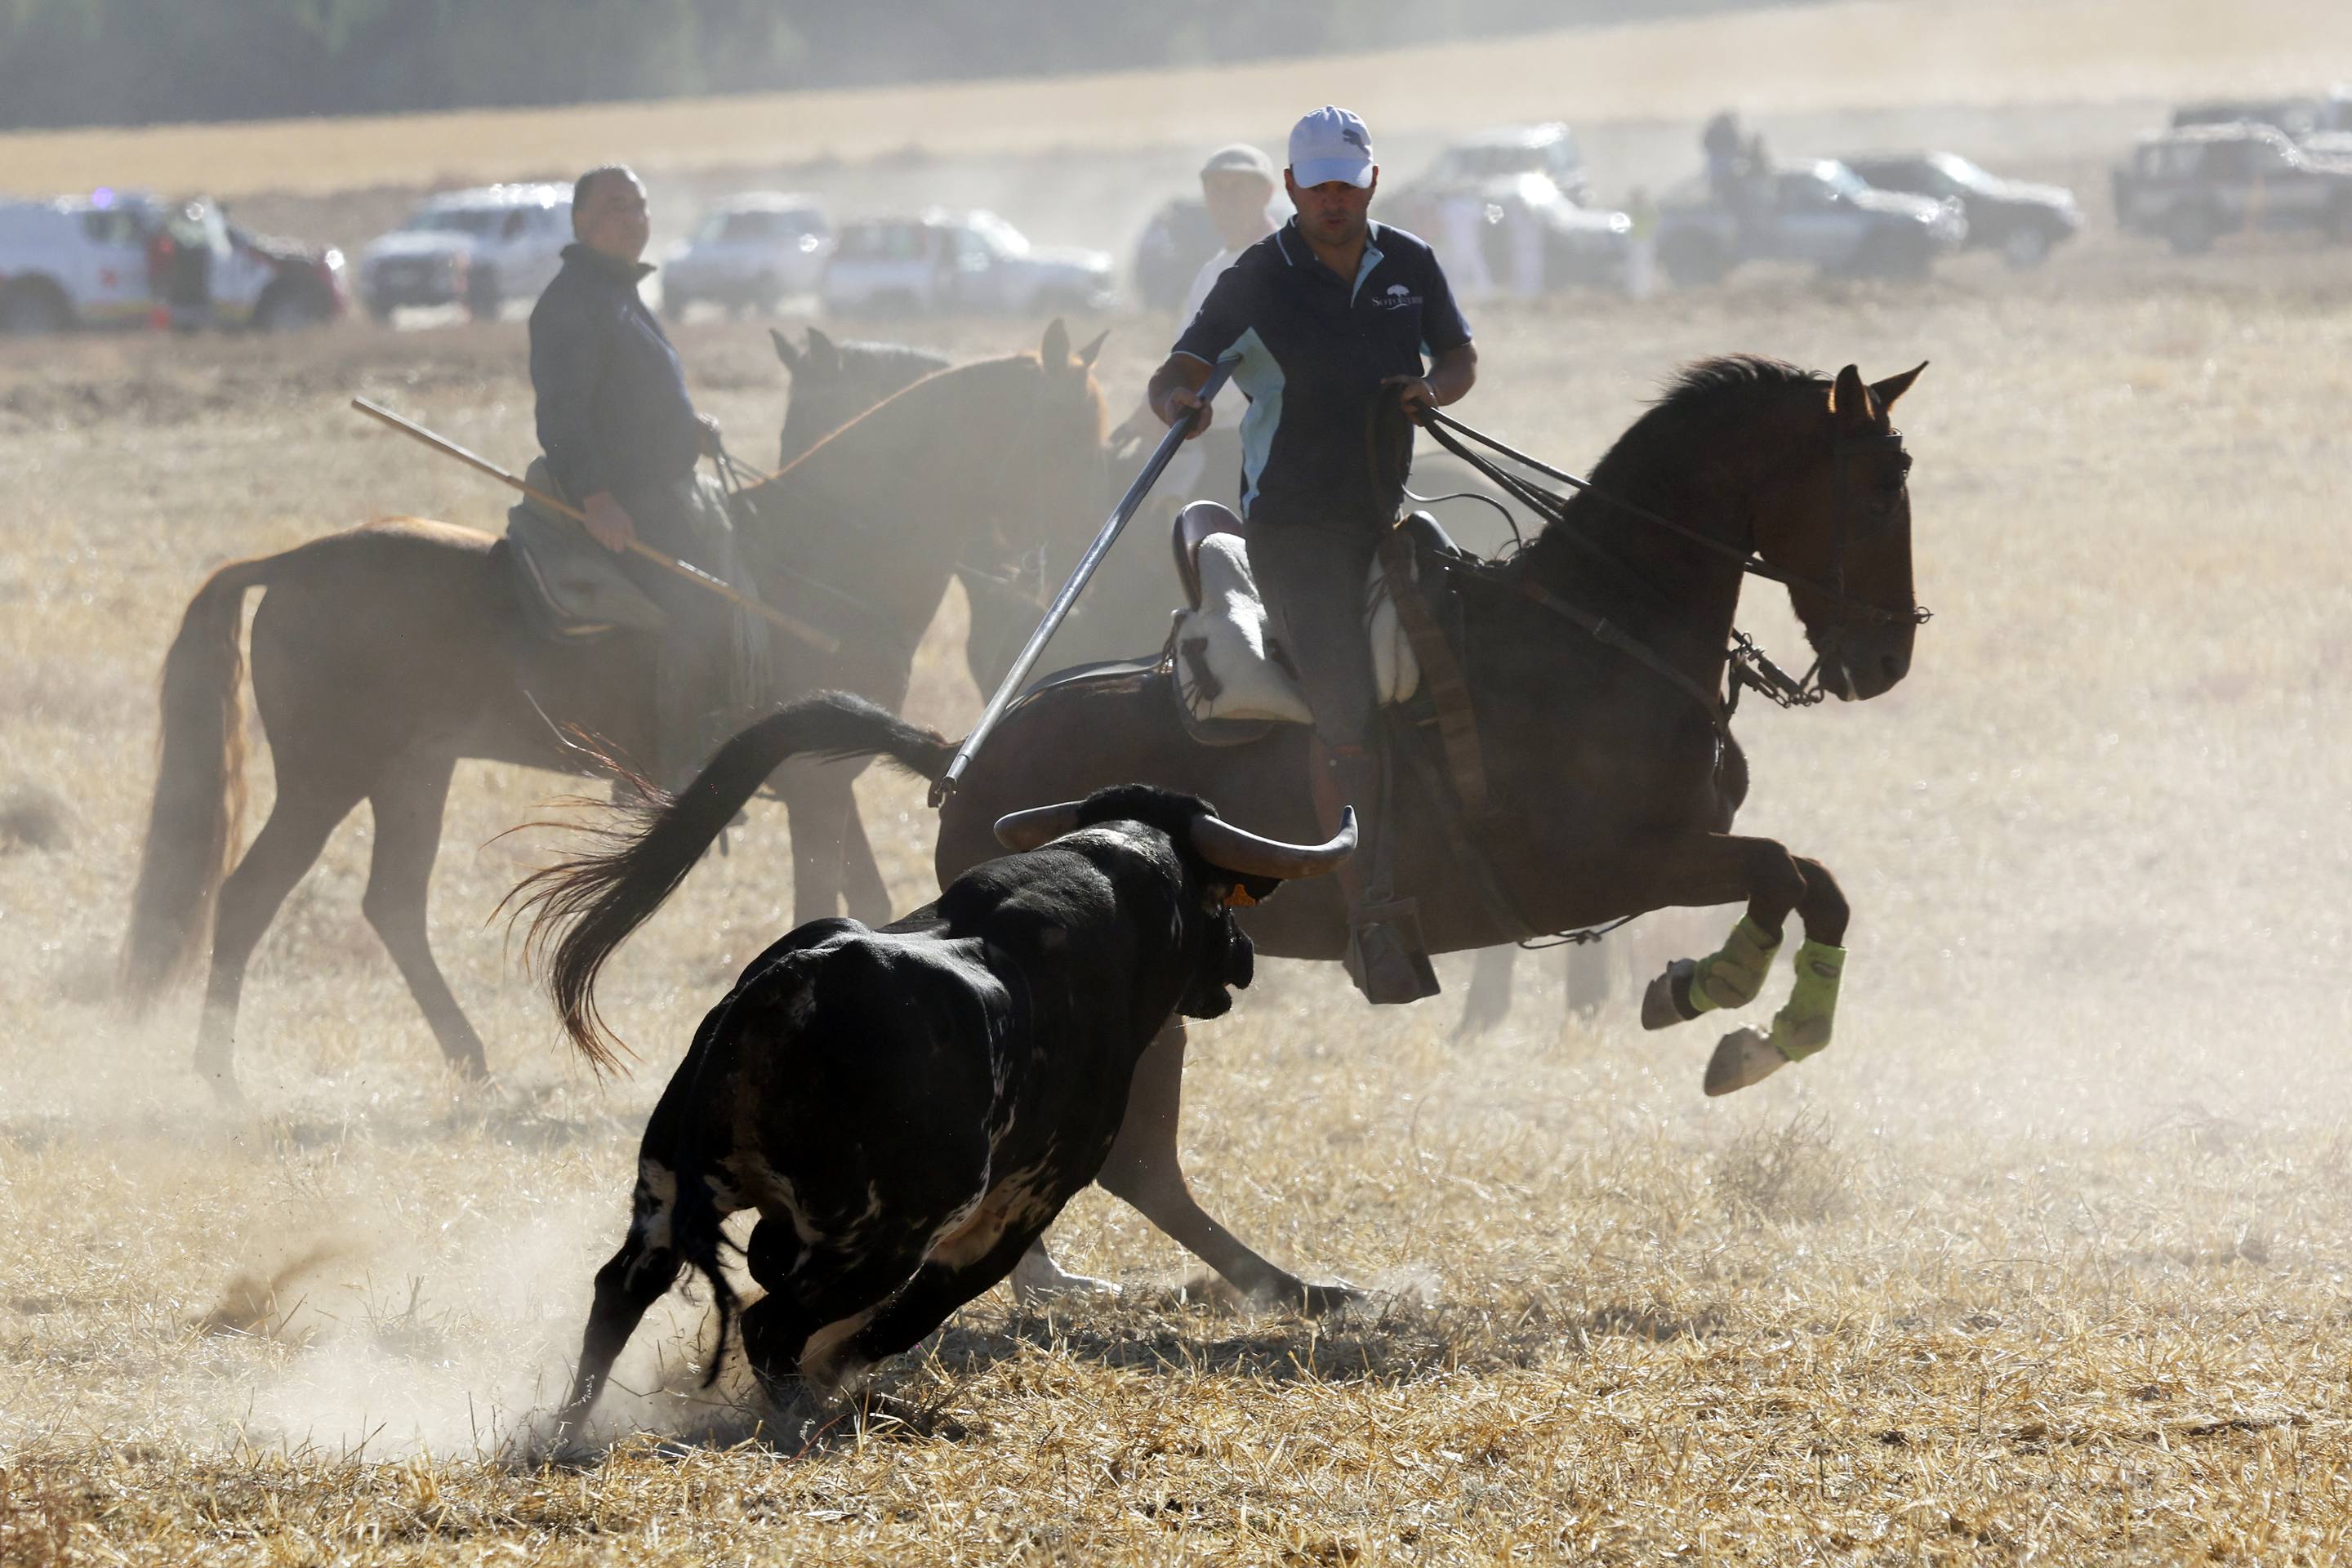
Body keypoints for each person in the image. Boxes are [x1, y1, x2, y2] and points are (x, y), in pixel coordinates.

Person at [1143, 105, 1478, 1004]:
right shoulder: (1255, 279)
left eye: (1348, 182)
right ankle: (1369, 917)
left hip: (1388, 513)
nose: (1333, 198)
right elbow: (1174, 371)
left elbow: (1459, 353)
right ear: (1291, 188)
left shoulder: (1410, 264)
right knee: (1346, 707)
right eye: (1317, 183)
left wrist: (1431, 391)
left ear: (1371, 182)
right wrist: (1182, 403)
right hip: (1292, 530)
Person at [529, 164, 752, 788]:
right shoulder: (572, 303)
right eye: (615, 206)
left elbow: (632, 401)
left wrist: (689, 430)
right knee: (699, 607)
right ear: (581, 221)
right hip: (627, 500)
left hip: (663, 487)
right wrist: (597, 498)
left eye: (640, 206)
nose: (632, 219)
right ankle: (661, 770)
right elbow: (564, 417)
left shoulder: (618, 292)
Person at [1111, 142, 1285, 500]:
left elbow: (1255, 368)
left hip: (1270, 445)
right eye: (1217, 189)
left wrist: (1173, 412)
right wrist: (1148, 409)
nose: (1227, 199)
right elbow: (1186, 358)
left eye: (1239, 187)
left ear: (1266, 193)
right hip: (1218, 440)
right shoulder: (1211, 273)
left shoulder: (1286, 261)